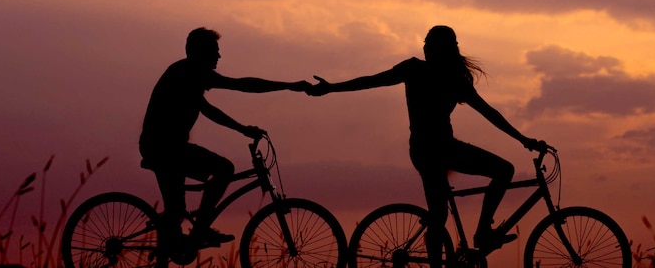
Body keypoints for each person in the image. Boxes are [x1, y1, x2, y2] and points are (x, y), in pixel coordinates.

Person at [307, 25, 543, 266]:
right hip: (438, 149)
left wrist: (523, 140)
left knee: (439, 215)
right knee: (499, 173)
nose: (426, 47)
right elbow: (371, 81)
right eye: (426, 43)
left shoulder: (440, 76)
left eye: (430, 43)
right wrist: (524, 141)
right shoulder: (430, 73)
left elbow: (489, 113)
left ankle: (468, 241)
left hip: (428, 150)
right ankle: (483, 232)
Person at [140, 27, 311, 247]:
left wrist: (243, 128)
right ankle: (200, 229)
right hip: (165, 149)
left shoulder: (187, 74)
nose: (219, 56)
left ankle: (182, 236)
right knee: (223, 169)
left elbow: (209, 108)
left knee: (176, 214)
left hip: (167, 148)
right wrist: (290, 86)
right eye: (214, 51)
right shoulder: (189, 72)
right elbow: (240, 86)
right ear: (201, 52)